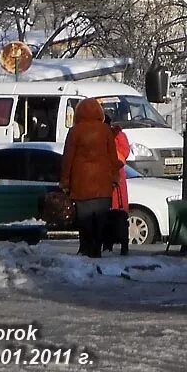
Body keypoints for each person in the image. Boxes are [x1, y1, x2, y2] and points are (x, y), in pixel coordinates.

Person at [60, 98, 123, 258]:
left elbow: (68, 158)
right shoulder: (105, 131)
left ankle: (85, 247)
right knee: (100, 220)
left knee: (84, 220)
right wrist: (115, 177)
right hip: (103, 184)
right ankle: (97, 248)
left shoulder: (75, 132)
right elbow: (112, 157)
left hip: (81, 184)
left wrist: (65, 181)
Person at [103, 113, 131, 255]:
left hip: (112, 180)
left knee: (113, 214)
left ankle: (111, 244)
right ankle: (118, 244)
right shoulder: (118, 136)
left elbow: (120, 156)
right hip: (115, 180)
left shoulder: (115, 136)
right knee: (118, 214)